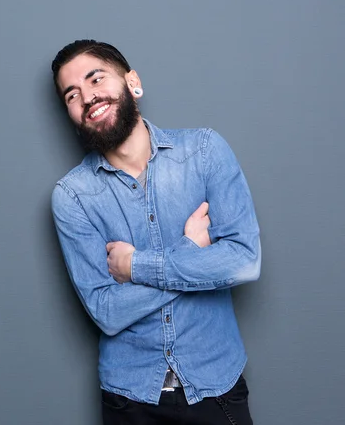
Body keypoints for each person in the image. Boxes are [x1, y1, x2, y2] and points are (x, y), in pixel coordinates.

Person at [50, 40, 261, 425]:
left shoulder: (204, 152)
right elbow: (106, 311)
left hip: (217, 387)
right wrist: (189, 249)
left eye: (95, 78)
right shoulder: (72, 197)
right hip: (129, 400)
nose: (87, 97)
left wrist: (135, 266)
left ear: (133, 82)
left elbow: (244, 260)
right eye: (72, 95)